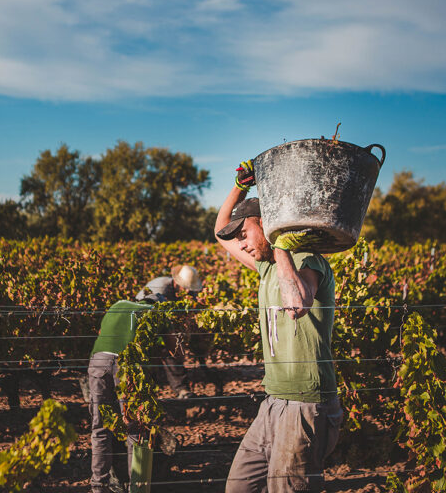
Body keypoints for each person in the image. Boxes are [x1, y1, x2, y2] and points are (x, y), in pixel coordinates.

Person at [214, 160, 342, 493]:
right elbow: (219, 231)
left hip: (306, 404)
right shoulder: (266, 268)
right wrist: (241, 186)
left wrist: (280, 241)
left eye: (245, 234)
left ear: (266, 225)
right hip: (273, 401)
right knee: (239, 487)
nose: (241, 244)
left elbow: (297, 304)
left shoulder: (305, 260)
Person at [88, 265, 202, 493]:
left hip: (97, 362)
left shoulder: (118, 305)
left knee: (100, 429)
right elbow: (177, 354)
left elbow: (104, 336)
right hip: (126, 366)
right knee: (136, 428)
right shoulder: (157, 313)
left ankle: (97, 486)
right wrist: (179, 334)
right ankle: (137, 487)